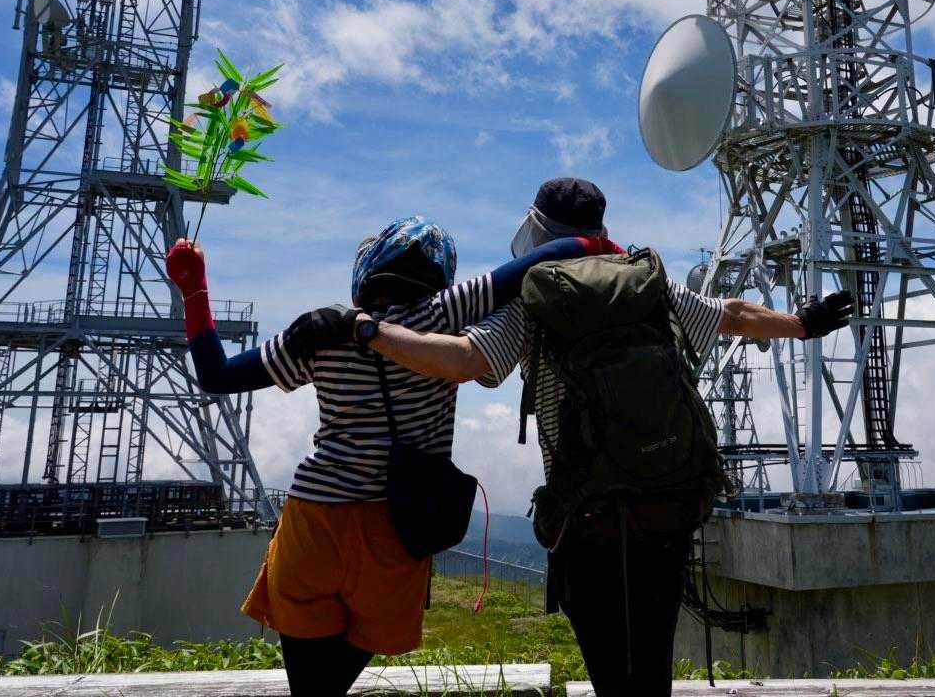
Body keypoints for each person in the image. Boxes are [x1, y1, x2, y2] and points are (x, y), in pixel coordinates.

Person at [359, 178, 855, 695]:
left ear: (538, 228)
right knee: (652, 670)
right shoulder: (645, 280)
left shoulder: (536, 294)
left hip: (586, 517)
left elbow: (465, 361)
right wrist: (803, 323)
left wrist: (370, 331)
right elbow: (730, 315)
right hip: (666, 507)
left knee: (611, 676)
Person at [165, 216, 618, 696]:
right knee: (336, 674)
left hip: (312, 524)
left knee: (309, 685)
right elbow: (545, 257)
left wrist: (194, 287)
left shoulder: (318, 331)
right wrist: (600, 243)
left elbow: (216, 375)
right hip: (395, 527)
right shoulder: (445, 312)